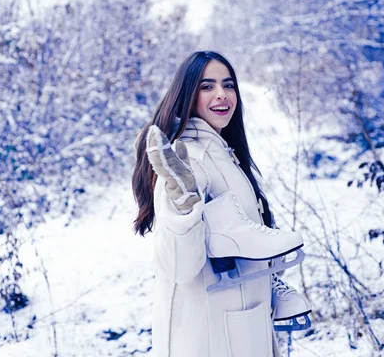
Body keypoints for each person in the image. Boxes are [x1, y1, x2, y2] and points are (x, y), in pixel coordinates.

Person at [132, 51, 310, 357]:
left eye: (228, 86)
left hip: (242, 326)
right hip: (209, 335)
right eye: (207, 86)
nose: (221, 95)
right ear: (186, 95)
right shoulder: (185, 160)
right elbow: (178, 266)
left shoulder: (224, 155)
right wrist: (183, 208)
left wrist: (269, 283)